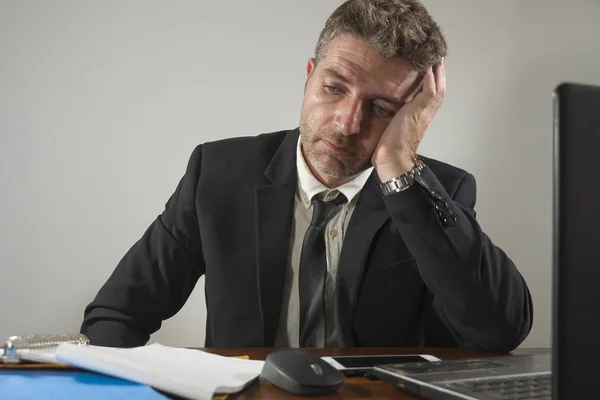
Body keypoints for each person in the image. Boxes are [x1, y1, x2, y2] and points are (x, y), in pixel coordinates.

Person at [81, 0, 533, 352]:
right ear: (309, 77)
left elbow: (499, 331)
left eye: (381, 108)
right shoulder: (217, 174)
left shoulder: (436, 193)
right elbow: (117, 314)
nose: (347, 122)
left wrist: (398, 163)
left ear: (412, 115)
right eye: (334, 88)